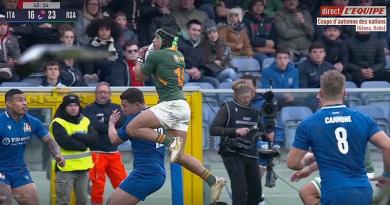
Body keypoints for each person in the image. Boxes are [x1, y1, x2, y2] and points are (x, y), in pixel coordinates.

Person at [128, 27, 226, 203]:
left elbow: (139, 75)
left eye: (156, 39)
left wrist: (141, 57)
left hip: (170, 105)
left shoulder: (158, 55)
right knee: (177, 156)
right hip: (182, 106)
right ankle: (213, 180)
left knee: (132, 128)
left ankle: (169, 141)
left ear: (162, 40)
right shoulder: (178, 55)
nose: (153, 42)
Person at [287, 70, 390, 205]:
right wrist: (387, 175)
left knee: (307, 193)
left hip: (334, 190)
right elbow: (388, 146)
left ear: (321, 93)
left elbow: (292, 163)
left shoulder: (309, 123)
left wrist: (305, 162)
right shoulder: (362, 118)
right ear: (345, 93)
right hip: (362, 189)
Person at [210, 81, 274, 205]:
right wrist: (235, 131)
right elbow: (213, 129)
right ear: (236, 96)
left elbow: (260, 132)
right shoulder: (227, 108)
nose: (246, 100)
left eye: (248, 97)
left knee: (256, 190)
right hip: (231, 152)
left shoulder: (254, 112)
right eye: (243, 97)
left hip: (250, 153)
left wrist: (267, 135)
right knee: (240, 189)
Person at [0, 89, 65, 205]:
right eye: (20, 100)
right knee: (4, 198)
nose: (24, 103)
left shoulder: (32, 122)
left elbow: (50, 141)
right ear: (8, 104)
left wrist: (57, 155)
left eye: (25, 100)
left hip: (19, 170)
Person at [107, 88, 165, 205]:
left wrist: (111, 123)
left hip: (146, 173)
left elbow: (114, 140)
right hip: (155, 172)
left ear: (137, 105)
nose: (122, 109)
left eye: (125, 106)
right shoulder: (156, 115)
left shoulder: (134, 120)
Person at [83, 82, 127, 205]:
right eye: (100, 92)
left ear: (110, 94)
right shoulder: (88, 109)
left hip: (114, 152)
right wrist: (112, 124)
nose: (103, 95)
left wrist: (106, 126)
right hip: (96, 153)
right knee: (97, 188)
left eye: (106, 92)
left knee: (124, 185)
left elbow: (123, 126)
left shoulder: (117, 107)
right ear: (95, 94)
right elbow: (94, 126)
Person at [50, 94, 99, 205]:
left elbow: (95, 139)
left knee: (82, 201)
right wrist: (84, 144)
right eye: (70, 105)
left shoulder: (85, 120)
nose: (73, 108)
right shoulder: (58, 122)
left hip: (84, 169)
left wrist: (77, 135)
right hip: (65, 169)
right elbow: (66, 143)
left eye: (76, 105)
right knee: (63, 201)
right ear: (64, 107)